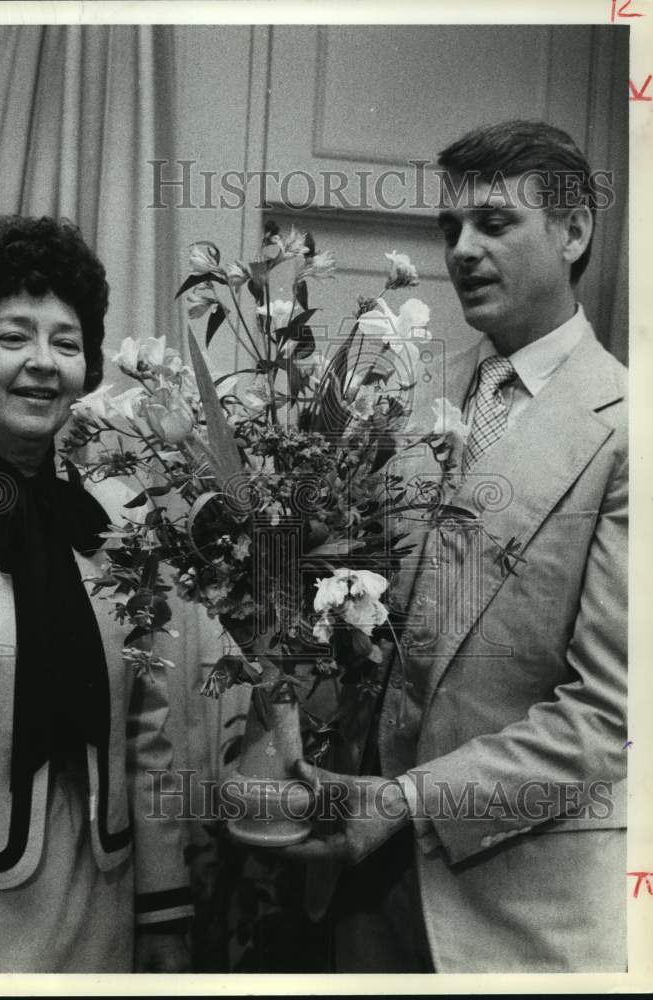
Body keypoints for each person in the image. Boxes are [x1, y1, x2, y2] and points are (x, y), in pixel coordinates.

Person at [281, 120, 628, 973]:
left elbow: (609, 719)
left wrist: (407, 800)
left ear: (573, 231)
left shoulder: (627, 429)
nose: (462, 250)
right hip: (364, 892)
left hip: (517, 915)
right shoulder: (408, 399)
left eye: (494, 224)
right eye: (450, 230)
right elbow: (358, 625)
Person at [0, 215, 192, 973]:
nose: (42, 364)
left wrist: (164, 911)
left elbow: (150, 736)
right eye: (12, 337)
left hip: (101, 911)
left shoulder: (121, 520)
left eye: (66, 342)